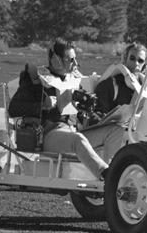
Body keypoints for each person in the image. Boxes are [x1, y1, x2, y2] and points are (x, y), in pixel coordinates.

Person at [8, 41, 109, 179]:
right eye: (71, 59)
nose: (76, 63)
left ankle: (116, 171)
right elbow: (13, 109)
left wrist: (100, 117)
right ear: (56, 61)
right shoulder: (37, 80)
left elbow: (81, 115)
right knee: (78, 139)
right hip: (48, 134)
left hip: (73, 131)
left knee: (115, 129)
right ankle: (107, 175)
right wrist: (42, 106)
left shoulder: (73, 80)